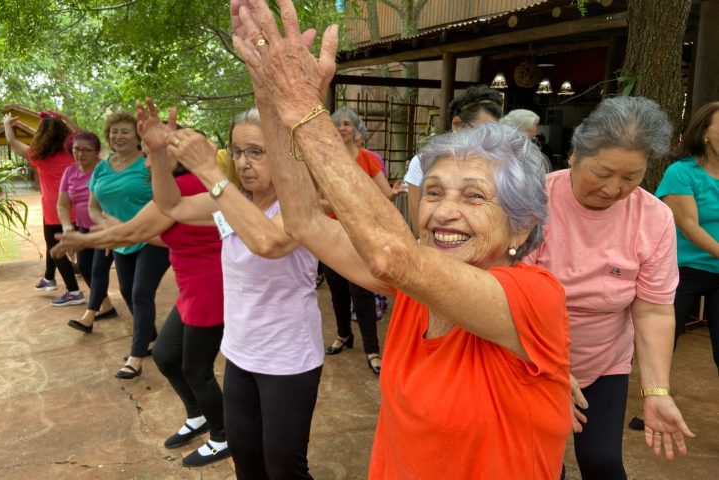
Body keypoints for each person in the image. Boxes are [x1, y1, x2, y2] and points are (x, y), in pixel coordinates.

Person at [230, 3, 572, 477]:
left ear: (522, 225)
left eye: (474, 196)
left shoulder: (536, 297)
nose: (443, 211)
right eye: (432, 192)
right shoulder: (413, 292)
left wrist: (304, 109)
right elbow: (305, 219)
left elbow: (392, 255)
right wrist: (269, 92)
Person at [139, 101, 323, 479]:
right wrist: (158, 154)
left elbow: (268, 243)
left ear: (287, 156)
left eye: (256, 152)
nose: (243, 163)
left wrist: (209, 172)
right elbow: (170, 204)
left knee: (284, 466)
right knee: (245, 457)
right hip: (241, 353)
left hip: (288, 357)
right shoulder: (234, 203)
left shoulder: (301, 206)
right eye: (238, 152)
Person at [524, 96, 694, 479]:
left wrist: (657, 392)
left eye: (630, 178)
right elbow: (512, 297)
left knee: (602, 461)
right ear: (574, 155)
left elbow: (652, 309)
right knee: (535, 463)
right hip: (530, 356)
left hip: (604, 360)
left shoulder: (654, 218)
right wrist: (549, 368)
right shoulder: (535, 201)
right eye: (602, 172)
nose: (613, 188)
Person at [52, 151, 229, 467]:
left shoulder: (184, 186)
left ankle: (223, 436)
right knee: (164, 355)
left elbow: (136, 232)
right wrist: (117, 229)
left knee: (196, 369)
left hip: (210, 288)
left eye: (152, 156)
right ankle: (199, 415)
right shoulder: (172, 190)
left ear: (175, 159)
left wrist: (86, 240)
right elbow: (161, 235)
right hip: (192, 288)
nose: (146, 162)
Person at [89, 111, 170, 379]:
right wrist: (107, 227)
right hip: (122, 240)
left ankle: (136, 357)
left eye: (125, 131)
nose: (118, 136)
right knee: (126, 291)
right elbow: (93, 206)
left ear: (137, 136)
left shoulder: (148, 163)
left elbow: (166, 198)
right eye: (114, 132)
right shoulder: (102, 167)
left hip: (152, 236)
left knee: (140, 293)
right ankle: (151, 337)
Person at [322, 107, 394, 374]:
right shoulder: (325, 160)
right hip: (332, 234)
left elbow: (384, 194)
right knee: (337, 290)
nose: (342, 128)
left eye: (346, 124)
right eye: (337, 124)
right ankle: (343, 334)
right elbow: (317, 201)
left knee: (361, 292)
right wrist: (338, 202)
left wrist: (354, 204)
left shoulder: (367, 159)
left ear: (355, 129)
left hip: (361, 235)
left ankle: (372, 349)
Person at [656, 101, 719, 374]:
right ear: (704, 133)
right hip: (683, 270)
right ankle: (651, 405)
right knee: (661, 343)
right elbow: (689, 227)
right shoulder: (680, 172)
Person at [2, 112, 84, 306]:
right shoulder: (76, 153)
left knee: (56, 249)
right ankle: (49, 278)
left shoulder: (37, 156)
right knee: (52, 244)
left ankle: (74, 292)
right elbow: (82, 135)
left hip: (54, 211)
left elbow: (11, 141)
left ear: (42, 135)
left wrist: (7, 124)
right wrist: (67, 119)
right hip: (77, 209)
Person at [403, 84, 503, 235]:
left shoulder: (498, 165)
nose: (489, 139)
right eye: (483, 132)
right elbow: (419, 228)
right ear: (457, 125)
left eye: (495, 133)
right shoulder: (424, 162)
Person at [56, 132, 117, 327]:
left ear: (96, 151)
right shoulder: (69, 172)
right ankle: (106, 306)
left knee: (98, 269)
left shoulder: (106, 169)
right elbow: (63, 205)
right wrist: (67, 228)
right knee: (84, 267)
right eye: (76, 149)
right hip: (83, 228)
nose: (80, 154)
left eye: (85, 150)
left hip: (104, 228)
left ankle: (89, 317)